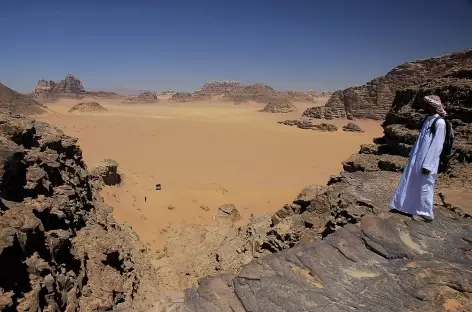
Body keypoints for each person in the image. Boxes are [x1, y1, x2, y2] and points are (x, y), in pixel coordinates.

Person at [390, 95, 447, 222]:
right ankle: (406, 207)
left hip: (427, 161)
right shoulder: (428, 119)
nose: (423, 107)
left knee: (425, 185)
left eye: (426, 105)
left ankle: (426, 214)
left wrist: (428, 165)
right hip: (417, 158)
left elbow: (436, 146)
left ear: (432, 106)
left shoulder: (440, 123)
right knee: (410, 181)